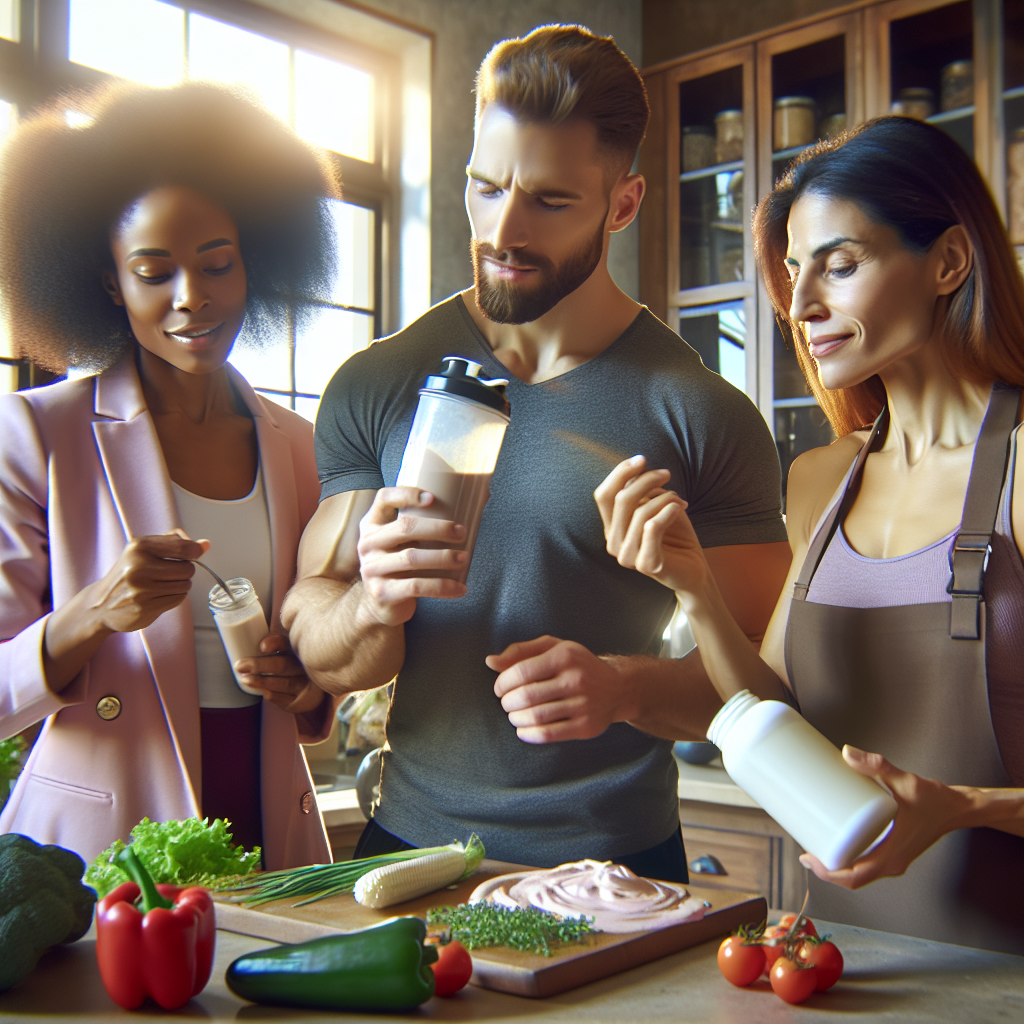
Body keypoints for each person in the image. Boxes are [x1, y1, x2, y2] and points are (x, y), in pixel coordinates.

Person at [283, 25, 791, 879]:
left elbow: (764, 687)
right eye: (486, 188)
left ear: (622, 204)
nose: (503, 230)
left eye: (550, 201)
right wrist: (373, 602)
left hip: (619, 867)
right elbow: (315, 636)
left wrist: (626, 687)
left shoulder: (701, 411)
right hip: (410, 851)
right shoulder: (379, 381)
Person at [598, 116, 1024, 953]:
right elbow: (776, 714)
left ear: (949, 261)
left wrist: (963, 808)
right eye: (794, 272)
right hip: (836, 962)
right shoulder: (822, 480)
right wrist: (695, 588)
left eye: (841, 264)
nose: (799, 306)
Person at [0, 81, 341, 868]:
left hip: (267, 819)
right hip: (107, 841)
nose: (192, 298)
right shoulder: (37, 434)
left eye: (217, 265)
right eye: (153, 273)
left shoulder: (302, 446)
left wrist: (307, 684)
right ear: (110, 284)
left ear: (254, 265)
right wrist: (92, 612)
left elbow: (324, 648)